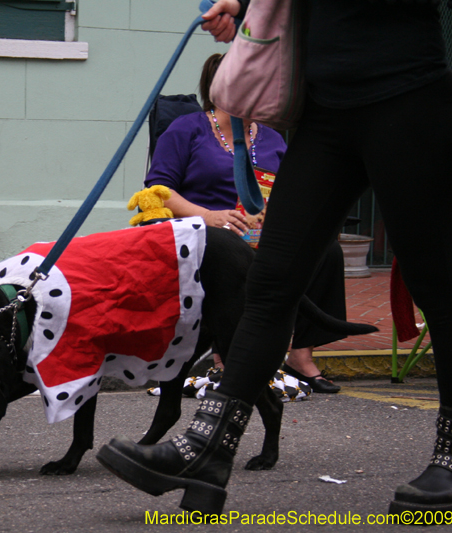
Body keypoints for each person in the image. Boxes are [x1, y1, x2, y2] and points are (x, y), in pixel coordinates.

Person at [98, 0, 452, 521]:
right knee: (271, 280)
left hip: (409, 99)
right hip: (325, 113)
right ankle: (208, 451)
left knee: (436, 286)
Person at [146, 53, 344, 393]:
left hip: (262, 230)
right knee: (230, 248)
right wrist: (208, 215)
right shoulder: (188, 128)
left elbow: (288, 192)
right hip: (207, 231)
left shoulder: (272, 138)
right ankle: (227, 353)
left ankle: (299, 354)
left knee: (327, 250)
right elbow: (158, 191)